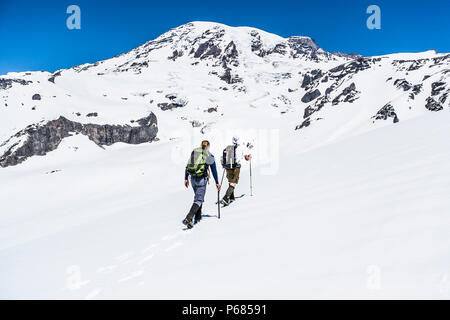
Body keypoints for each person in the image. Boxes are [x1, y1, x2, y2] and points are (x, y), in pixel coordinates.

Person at [183, 140, 221, 229]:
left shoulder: (195, 152)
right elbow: (214, 170)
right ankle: (188, 218)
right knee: (198, 200)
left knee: (198, 197)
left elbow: (187, 165)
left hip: (192, 179)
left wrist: (186, 178)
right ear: (208, 147)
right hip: (201, 180)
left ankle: (197, 218)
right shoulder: (209, 155)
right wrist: (217, 183)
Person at [221, 136, 251, 206]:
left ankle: (232, 198)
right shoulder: (242, 147)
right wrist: (249, 157)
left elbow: (223, 158)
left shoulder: (228, 148)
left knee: (231, 181)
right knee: (234, 182)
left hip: (228, 167)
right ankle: (226, 198)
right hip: (236, 167)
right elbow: (246, 158)